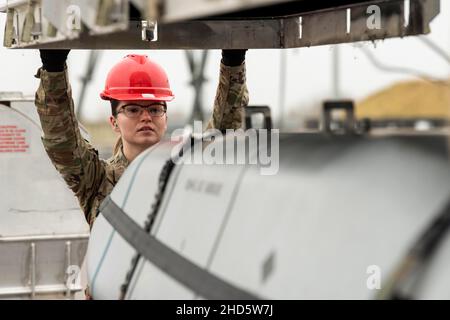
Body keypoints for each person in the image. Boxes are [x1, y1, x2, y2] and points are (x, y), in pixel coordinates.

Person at [35, 49, 248, 228]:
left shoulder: (187, 172)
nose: (146, 117)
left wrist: (233, 61)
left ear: (166, 119)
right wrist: (53, 69)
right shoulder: (96, 180)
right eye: (133, 109)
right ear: (114, 122)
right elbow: (63, 142)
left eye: (155, 109)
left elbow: (223, 137)